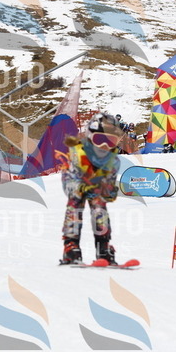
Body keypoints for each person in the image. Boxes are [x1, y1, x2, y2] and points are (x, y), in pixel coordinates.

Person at [59, 112, 123, 265]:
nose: (104, 147)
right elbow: (68, 179)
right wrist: (78, 186)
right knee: (75, 201)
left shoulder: (113, 161)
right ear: (90, 137)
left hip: (96, 187)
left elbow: (109, 187)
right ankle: (71, 244)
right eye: (100, 140)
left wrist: (108, 191)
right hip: (77, 183)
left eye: (110, 141)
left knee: (99, 206)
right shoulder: (77, 154)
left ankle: (103, 245)